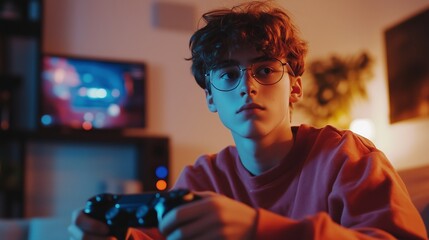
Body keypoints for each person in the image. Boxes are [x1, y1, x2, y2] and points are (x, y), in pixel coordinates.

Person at [68, 1, 428, 239]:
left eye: (265, 69)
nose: (248, 87)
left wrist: (259, 229)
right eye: (227, 74)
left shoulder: (348, 158)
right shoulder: (203, 178)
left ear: (295, 87)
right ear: (210, 97)